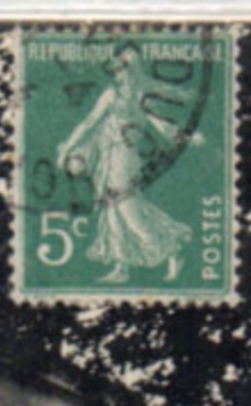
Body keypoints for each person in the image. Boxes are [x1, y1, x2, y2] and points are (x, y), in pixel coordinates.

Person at [56, 43, 202, 284]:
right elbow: (89, 122)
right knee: (111, 209)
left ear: (134, 67)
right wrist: (68, 148)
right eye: (117, 67)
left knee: (127, 207)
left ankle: (172, 249)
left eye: (124, 66)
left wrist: (186, 137)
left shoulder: (142, 94)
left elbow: (160, 123)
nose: (119, 72)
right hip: (106, 154)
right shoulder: (111, 94)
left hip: (126, 156)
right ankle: (121, 266)